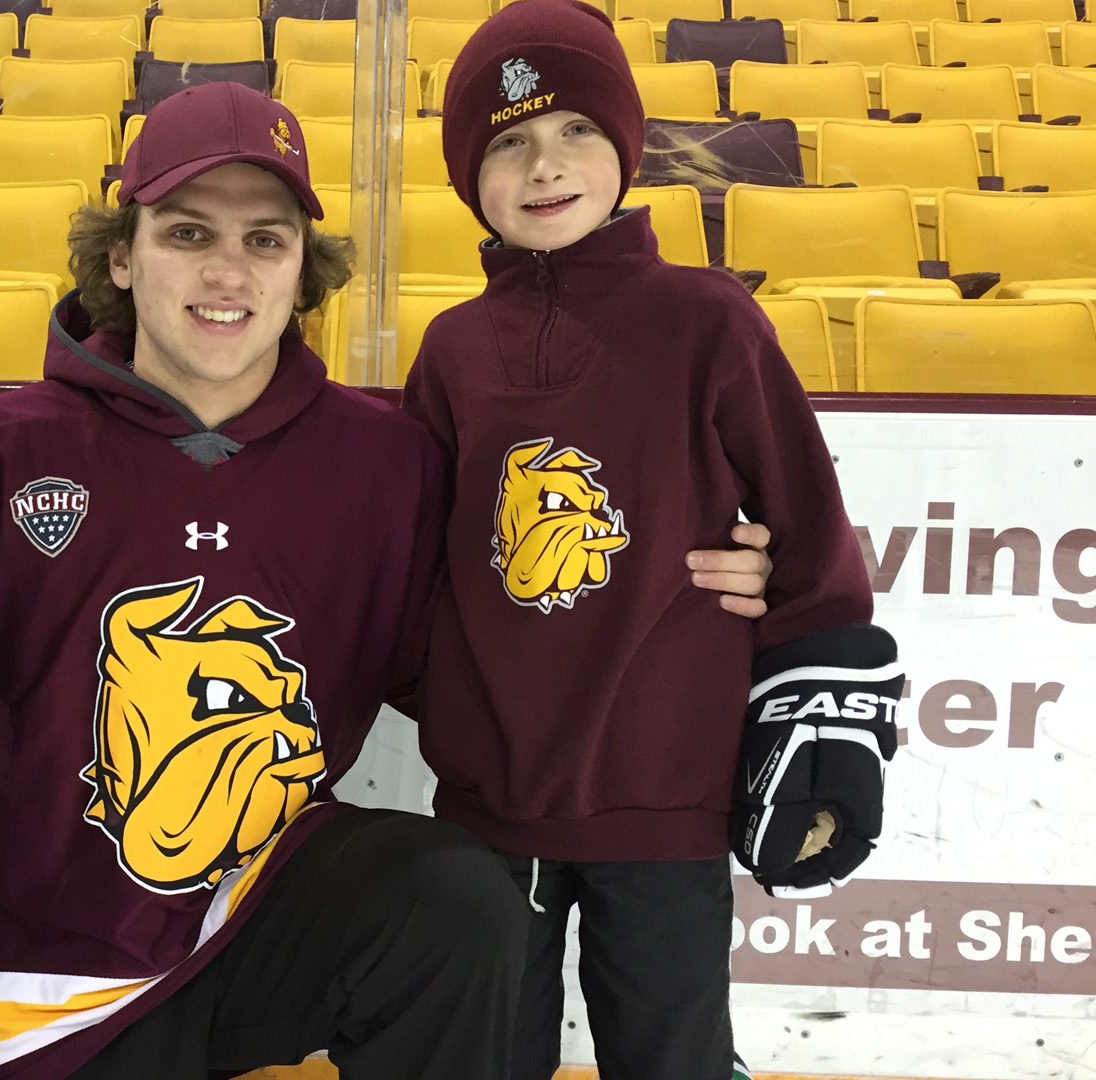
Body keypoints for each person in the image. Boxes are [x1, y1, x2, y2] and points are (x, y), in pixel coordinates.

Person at [0, 82, 778, 1080]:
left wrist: (692, 568)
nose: (227, 270)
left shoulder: (385, 463)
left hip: (267, 910)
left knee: (454, 897)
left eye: (266, 239)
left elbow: (496, 647)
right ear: (122, 256)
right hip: (54, 969)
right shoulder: (0, 450)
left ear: (304, 272)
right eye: (187, 232)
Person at [406, 3, 905, 1078]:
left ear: (626, 145)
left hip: (669, 789)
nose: (545, 163)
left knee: (670, 1057)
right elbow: (411, 566)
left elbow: (811, 539)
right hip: (493, 802)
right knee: (483, 1057)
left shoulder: (711, 319)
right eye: (506, 142)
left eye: (575, 129)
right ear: (468, 177)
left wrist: (809, 676)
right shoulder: (449, 351)